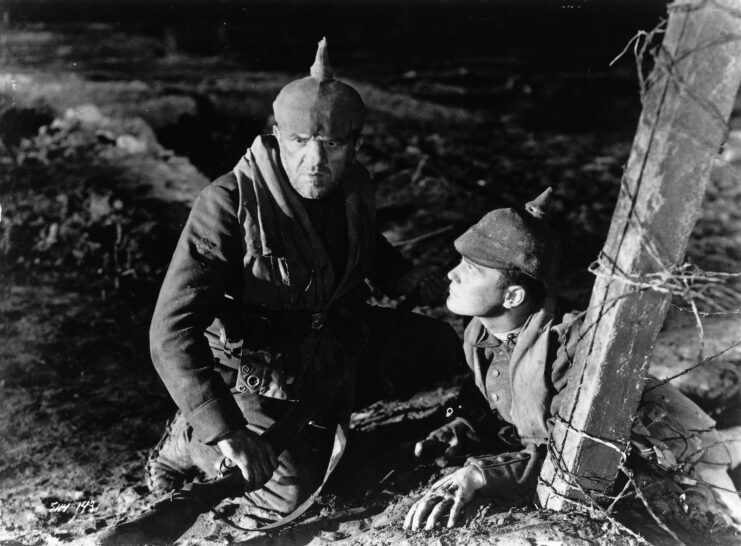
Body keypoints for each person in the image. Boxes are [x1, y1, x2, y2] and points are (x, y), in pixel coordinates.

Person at [146, 38, 463, 521]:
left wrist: (400, 275)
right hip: (257, 371)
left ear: (354, 146)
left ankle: (318, 416)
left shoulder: (354, 184)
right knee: (285, 493)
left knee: (436, 346)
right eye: (300, 142)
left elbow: (363, 241)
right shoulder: (229, 204)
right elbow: (170, 332)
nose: (315, 161)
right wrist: (224, 430)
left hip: (334, 345)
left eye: (332, 145)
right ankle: (191, 440)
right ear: (277, 135)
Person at [402, 188, 741, 532]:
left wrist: (479, 475)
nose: (450, 275)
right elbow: (511, 406)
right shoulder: (480, 331)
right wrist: (466, 428)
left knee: (721, 517)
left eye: (470, 269)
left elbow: (570, 453)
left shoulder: (571, 347)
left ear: (512, 296)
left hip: (663, 447)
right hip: (597, 447)